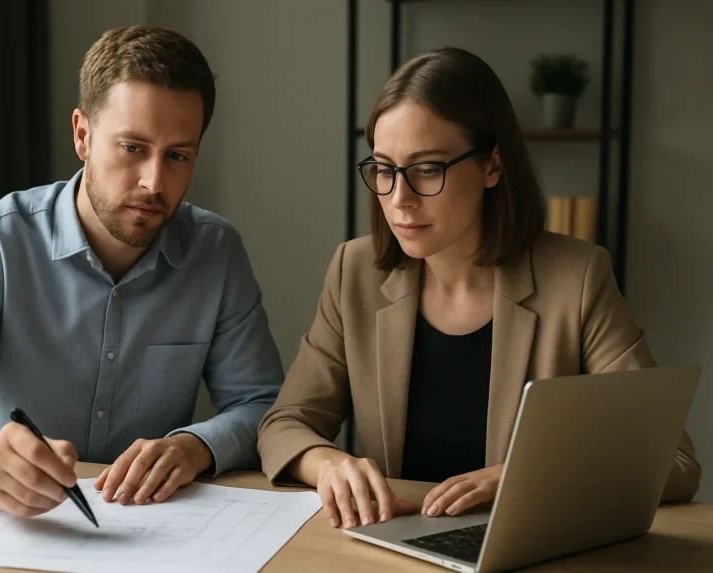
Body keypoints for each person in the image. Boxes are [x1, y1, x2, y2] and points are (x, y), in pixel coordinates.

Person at [257, 47, 701, 530]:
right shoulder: (355, 271)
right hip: (389, 548)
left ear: (492, 165)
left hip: (521, 549)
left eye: (427, 168)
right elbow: (284, 425)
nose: (399, 199)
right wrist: (329, 464)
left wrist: (521, 478)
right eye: (385, 169)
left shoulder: (577, 278)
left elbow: (674, 463)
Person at [0, 26, 284, 518]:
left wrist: (193, 447)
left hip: (154, 530)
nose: (155, 182)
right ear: (83, 136)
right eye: (132, 148)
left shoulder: (217, 253)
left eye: (177, 156)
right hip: (11, 526)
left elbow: (263, 407)